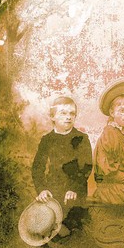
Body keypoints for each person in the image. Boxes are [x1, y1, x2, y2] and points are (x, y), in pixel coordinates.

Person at [32, 96, 93, 236]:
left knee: (72, 224)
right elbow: (37, 168)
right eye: (63, 113)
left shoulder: (81, 138)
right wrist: (42, 189)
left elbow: (86, 167)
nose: (68, 117)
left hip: (75, 188)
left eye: (72, 114)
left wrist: (74, 188)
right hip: (53, 187)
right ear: (52, 117)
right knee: (47, 224)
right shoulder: (47, 140)